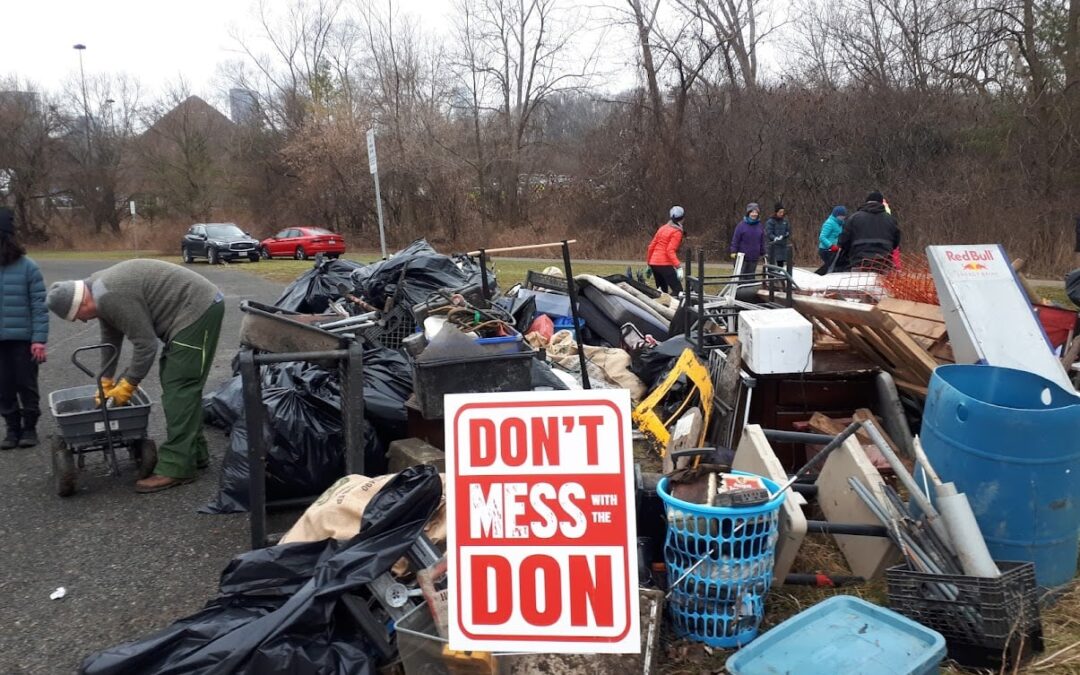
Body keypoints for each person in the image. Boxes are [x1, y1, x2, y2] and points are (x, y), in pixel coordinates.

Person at [46, 259, 224, 493]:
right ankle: (194, 453)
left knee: (179, 385)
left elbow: (146, 344)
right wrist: (106, 381)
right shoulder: (98, 290)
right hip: (193, 308)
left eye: (78, 316)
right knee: (177, 384)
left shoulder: (109, 294)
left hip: (197, 309)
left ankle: (178, 467)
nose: (83, 321)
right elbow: (110, 339)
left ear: (81, 301)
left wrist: (128, 384)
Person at [0, 207, 48, 449]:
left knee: (26, 385)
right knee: (4, 386)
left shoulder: (29, 267)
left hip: (24, 340)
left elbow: (39, 305)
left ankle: (29, 428)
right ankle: (12, 428)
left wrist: (39, 339)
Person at [838, 191, 901, 270]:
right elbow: (896, 242)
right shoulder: (891, 219)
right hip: (884, 264)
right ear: (882, 203)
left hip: (859, 262)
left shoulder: (853, 218)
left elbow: (843, 242)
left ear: (866, 202)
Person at [646, 205, 685, 294]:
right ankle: (675, 307)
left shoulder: (662, 228)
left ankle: (660, 307)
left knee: (662, 292)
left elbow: (651, 247)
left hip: (654, 264)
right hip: (664, 264)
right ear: (682, 219)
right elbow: (670, 250)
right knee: (678, 291)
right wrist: (678, 267)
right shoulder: (677, 232)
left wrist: (649, 264)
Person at [730, 202, 767, 275]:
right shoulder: (741, 226)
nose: (754, 214)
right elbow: (736, 239)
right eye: (752, 212)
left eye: (756, 212)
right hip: (742, 257)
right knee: (740, 277)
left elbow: (762, 241)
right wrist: (733, 251)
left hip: (754, 257)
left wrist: (763, 252)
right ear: (748, 213)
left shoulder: (760, 226)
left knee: (750, 277)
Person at [765, 202, 792, 268]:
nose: (781, 214)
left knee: (781, 264)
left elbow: (788, 230)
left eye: (782, 212)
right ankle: (772, 277)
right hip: (774, 247)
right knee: (773, 264)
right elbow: (769, 233)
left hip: (783, 246)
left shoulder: (785, 221)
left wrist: (786, 234)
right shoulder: (770, 221)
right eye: (780, 212)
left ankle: (781, 276)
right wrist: (775, 238)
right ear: (776, 212)